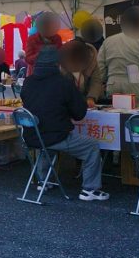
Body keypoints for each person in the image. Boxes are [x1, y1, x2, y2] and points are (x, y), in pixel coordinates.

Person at [20, 47, 108, 201]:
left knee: (45, 143)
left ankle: (43, 180)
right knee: (92, 146)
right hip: (56, 135)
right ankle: (90, 189)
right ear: (58, 65)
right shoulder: (63, 83)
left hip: (32, 135)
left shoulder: (28, 82)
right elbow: (79, 114)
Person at [91, 6, 139, 108]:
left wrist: (103, 82)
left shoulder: (108, 41)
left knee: (115, 116)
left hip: (113, 84)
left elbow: (100, 66)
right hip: (135, 84)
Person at [60, 39, 103, 108]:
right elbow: (62, 85)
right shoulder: (64, 62)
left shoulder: (92, 62)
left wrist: (91, 98)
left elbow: (96, 82)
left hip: (91, 102)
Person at [24, 12, 64, 77]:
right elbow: (28, 59)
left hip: (53, 74)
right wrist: (41, 53)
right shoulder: (32, 39)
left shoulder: (57, 38)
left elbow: (61, 56)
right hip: (36, 75)